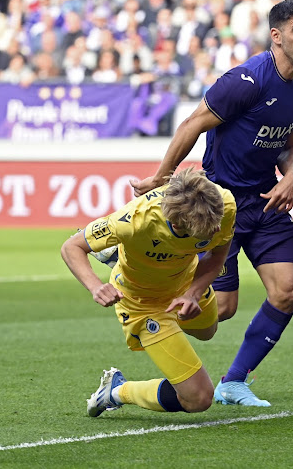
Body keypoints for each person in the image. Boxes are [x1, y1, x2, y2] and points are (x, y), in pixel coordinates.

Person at [129, 0, 293, 407]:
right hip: (221, 204)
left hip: (265, 200)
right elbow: (193, 124)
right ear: (276, 35)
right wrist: (161, 177)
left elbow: (290, 143)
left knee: (287, 290)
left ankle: (234, 382)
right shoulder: (245, 80)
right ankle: (143, 281)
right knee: (223, 310)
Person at [61, 168, 235, 417]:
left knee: (207, 332)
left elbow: (218, 255)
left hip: (186, 284)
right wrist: (96, 286)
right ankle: (117, 390)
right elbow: (72, 246)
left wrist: (193, 293)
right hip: (142, 302)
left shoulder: (223, 204)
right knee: (198, 399)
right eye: (208, 231)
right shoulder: (134, 220)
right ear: (176, 224)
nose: (218, 231)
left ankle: (120, 255)